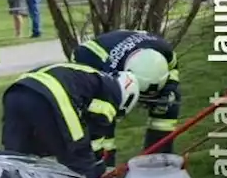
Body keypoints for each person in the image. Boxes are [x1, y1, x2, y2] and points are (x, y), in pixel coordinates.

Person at [1, 64, 140, 178]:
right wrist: (97, 168)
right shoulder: (112, 92)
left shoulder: (94, 75)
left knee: (17, 159)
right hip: (52, 92)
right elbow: (97, 127)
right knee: (77, 154)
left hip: (16, 91)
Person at [71, 30, 178, 168]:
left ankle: (159, 162)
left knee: (168, 110)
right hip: (92, 62)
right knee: (103, 120)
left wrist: (169, 89)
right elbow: (100, 117)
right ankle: (104, 170)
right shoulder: (104, 74)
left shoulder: (165, 51)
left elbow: (173, 70)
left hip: (126, 51)